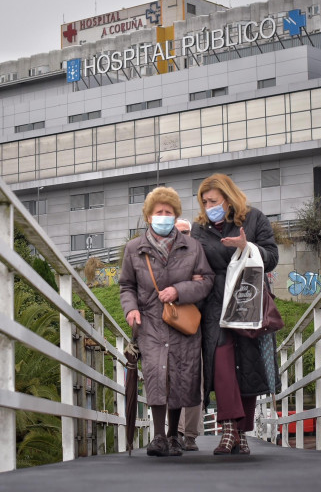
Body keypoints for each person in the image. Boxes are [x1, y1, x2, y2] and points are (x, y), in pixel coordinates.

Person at [120, 187, 213, 457]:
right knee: (156, 376)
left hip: (181, 321)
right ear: (148, 216)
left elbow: (207, 281)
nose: (163, 216)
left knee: (180, 377)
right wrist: (130, 310)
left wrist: (180, 290)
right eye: (158, 212)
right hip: (149, 321)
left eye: (168, 212)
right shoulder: (134, 249)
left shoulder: (192, 246)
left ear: (176, 216)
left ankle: (175, 435)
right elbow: (126, 285)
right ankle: (158, 436)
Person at [192, 173, 279, 455]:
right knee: (221, 362)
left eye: (213, 200)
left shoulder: (254, 219)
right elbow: (194, 263)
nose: (208, 206)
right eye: (204, 201)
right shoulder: (199, 229)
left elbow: (272, 256)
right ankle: (229, 429)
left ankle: (241, 433)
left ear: (228, 199)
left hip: (247, 299)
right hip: (215, 303)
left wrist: (247, 247)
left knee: (248, 363)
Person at [174, 217, 204, 452]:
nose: (183, 236)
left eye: (186, 231)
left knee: (194, 380)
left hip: (195, 325)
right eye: (179, 232)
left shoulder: (199, 256)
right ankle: (173, 432)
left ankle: (189, 434)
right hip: (168, 325)